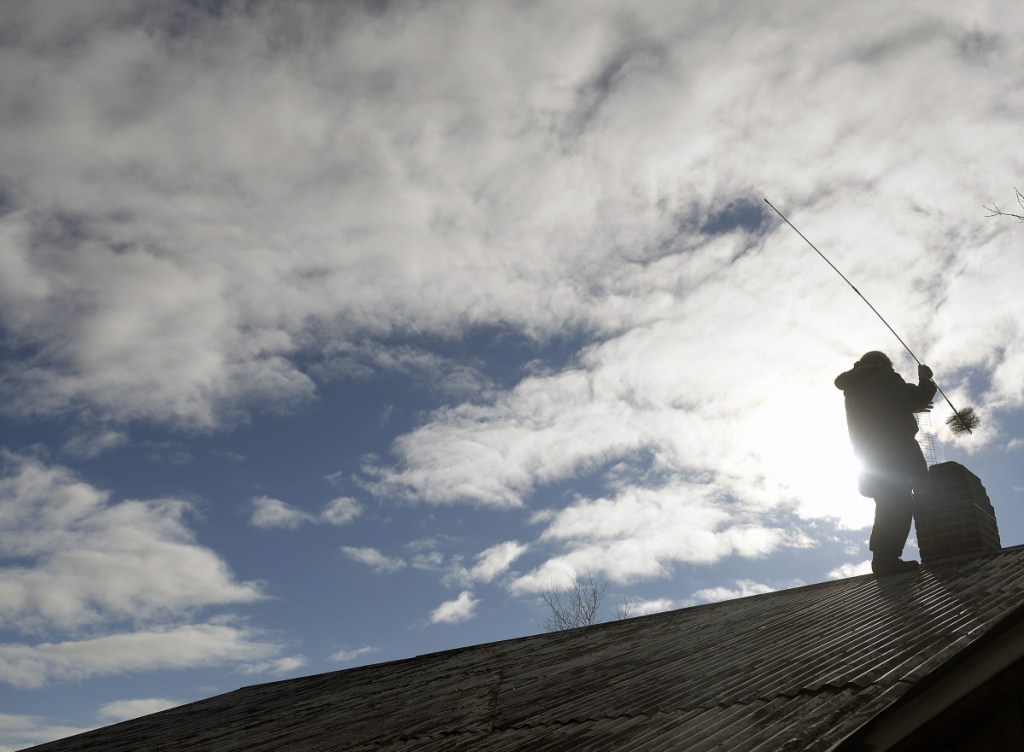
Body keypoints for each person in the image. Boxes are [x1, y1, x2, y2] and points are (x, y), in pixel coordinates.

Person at [834, 351, 936, 575]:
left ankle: (883, 557)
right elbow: (917, 396)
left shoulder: (854, 387)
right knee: (900, 502)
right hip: (895, 451)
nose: (891, 369)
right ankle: (886, 559)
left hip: (870, 455)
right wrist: (925, 378)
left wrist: (907, 406)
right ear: (881, 363)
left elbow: (882, 407)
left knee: (888, 504)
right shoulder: (884, 377)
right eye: (889, 366)